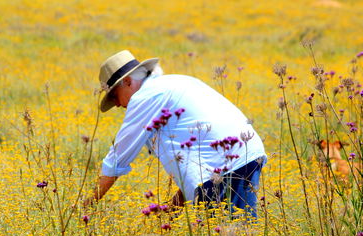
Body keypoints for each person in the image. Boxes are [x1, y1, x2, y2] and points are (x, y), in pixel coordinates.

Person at [84, 50, 267, 218]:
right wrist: (170, 212)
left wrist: (87, 207)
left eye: (114, 96)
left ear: (128, 82)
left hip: (225, 164)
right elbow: (197, 162)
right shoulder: (175, 82)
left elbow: (117, 158)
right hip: (241, 156)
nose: (116, 104)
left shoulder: (145, 97)